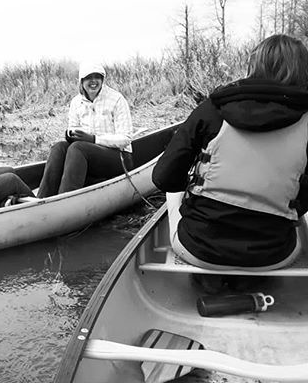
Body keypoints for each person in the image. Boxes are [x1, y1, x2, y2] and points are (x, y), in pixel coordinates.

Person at [152, 34, 308, 272]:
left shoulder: (212, 109)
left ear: (253, 65)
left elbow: (163, 178)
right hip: (273, 255)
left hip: (199, 248)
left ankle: (208, 278)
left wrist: (197, 185)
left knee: (172, 194)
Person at [37, 61, 133, 198]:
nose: (93, 81)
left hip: (119, 157)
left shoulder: (117, 99)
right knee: (59, 147)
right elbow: (73, 127)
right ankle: (43, 199)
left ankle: (65, 201)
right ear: (82, 81)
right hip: (89, 155)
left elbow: (125, 139)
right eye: (89, 77)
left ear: (102, 79)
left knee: (78, 148)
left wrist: (94, 139)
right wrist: (71, 134)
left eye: (97, 77)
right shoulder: (76, 102)